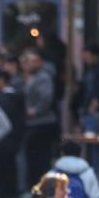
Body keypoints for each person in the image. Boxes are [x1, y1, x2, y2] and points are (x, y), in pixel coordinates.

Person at [18, 47, 60, 184]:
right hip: (34, 123)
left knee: (40, 158)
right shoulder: (32, 76)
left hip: (41, 123)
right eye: (29, 61)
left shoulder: (43, 77)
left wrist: (36, 110)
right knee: (34, 158)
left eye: (34, 61)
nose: (31, 64)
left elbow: (47, 97)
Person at [0, 66, 26, 198]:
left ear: (1, 80)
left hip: (7, 140)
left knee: (6, 170)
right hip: (12, 139)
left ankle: (7, 196)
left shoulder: (7, 98)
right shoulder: (12, 96)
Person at [75, 42, 99, 134]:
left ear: (95, 56)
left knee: (95, 140)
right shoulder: (91, 71)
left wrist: (91, 108)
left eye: (87, 56)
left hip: (97, 112)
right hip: (89, 110)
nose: (85, 59)